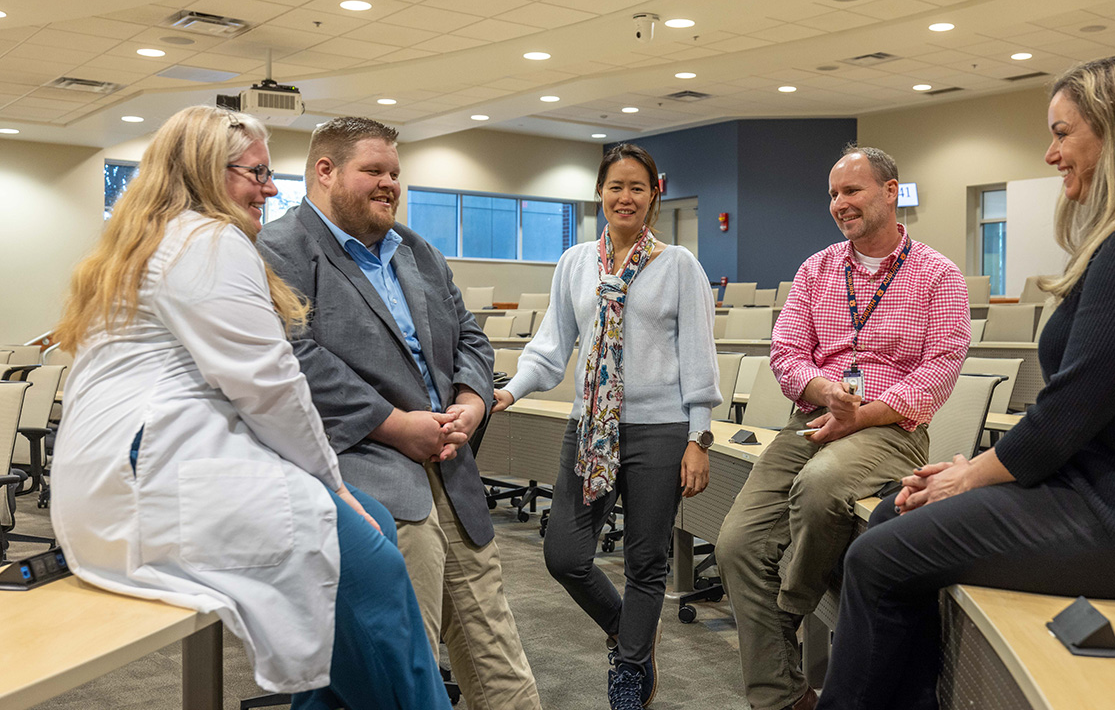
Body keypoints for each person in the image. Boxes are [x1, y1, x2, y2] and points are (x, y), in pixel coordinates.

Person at [815, 55, 1115, 710]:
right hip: (1098, 497)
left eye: (1062, 132)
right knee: (886, 516)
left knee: (879, 558)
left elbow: (1070, 410)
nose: (1050, 154)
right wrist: (971, 472)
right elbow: (1078, 412)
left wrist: (970, 475)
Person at [50, 105, 449, 709]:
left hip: (116, 483)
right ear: (208, 172)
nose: (269, 189)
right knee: (374, 577)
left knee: (372, 536)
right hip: (164, 483)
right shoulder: (208, 240)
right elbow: (271, 386)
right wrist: (332, 485)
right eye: (256, 173)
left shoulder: (147, 242)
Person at [257, 117, 540, 710]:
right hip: (369, 472)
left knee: (498, 657)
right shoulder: (282, 248)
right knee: (400, 667)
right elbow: (295, 356)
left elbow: (471, 337)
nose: (389, 183)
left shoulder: (415, 250)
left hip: (450, 464)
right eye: (374, 171)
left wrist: (471, 400)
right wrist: (393, 423)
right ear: (325, 171)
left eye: (395, 173)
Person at [716, 145, 970, 710]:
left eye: (851, 191)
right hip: (810, 417)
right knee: (735, 544)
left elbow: (937, 374)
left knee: (821, 487)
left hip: (892, 428)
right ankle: (785, 699)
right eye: (833, 194)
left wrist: (861, 412)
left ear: (890, 191)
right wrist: (820, 391)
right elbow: (785, 354)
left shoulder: (939, 276)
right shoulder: (816, 270)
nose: (839, 204)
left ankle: (787, 607)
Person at [491, 143, 721, 710]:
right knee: (564, 555)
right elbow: (551, 348)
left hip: (660, 429)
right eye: (616, 186)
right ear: (600, 192)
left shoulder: (679, 265)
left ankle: (630, 668)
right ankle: (629, 631)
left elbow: (698, 358)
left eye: (637, 188)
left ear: (653, 197)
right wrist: (510, 390)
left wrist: (699, 436)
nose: (625, 197)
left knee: (647, 562)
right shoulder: (575, 263)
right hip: (591, 425)